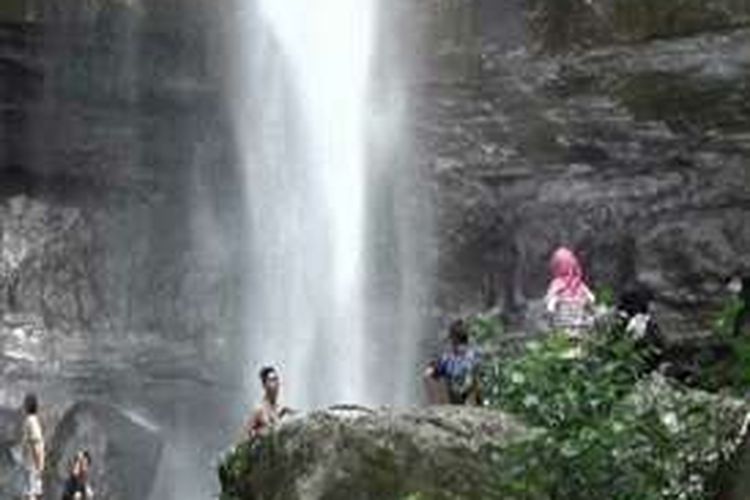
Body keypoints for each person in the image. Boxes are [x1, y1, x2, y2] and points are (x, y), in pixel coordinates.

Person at [424, 319, 482, 405]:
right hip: (466, 395)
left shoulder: (449, 358)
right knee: (474, 378)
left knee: (429, 374)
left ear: (454, 339)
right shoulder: (475, 354)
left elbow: (429, 374)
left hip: (458, 395)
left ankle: (439, 404)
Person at [544, 247, 596, 339]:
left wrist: (550, 317)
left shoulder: (557, 283)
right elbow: (592, 299)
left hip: (563, 326)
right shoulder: (579, 283)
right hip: (580, 325)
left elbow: (550, 307)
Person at [246, 366, 293, 439]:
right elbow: (248, 434)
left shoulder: (279, 408)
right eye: (272, 380)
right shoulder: (259, 409)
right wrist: (258, 433)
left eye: (277, 379)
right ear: (264, 385)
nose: (276, 383)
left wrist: (282, 414)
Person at [21, 393, 45, 500]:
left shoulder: (31, 421)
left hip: (32, 464)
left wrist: (38, 465)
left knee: (32, 493)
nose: (23, 405)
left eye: (25, 403)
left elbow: (36, 444)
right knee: (32, 492)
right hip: (31, 463)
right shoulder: (31, 420)